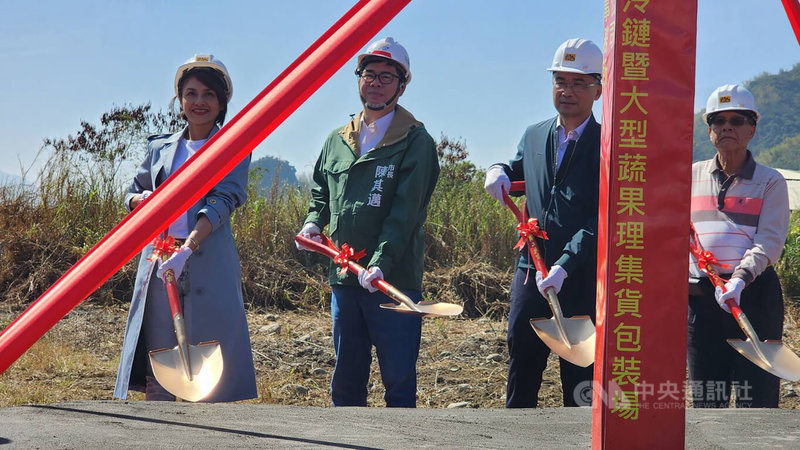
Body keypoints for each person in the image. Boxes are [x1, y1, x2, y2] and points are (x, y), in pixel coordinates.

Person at [296, 37, 439, 407]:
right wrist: (314, 223)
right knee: (346, 379)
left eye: (387, 77)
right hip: (345, 278)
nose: (376, 82)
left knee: (398, 381)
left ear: (402, 85)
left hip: (393, 282)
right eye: (369, 74)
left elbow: (405, 214)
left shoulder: (414, 141)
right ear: (358, 79)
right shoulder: (337, 139)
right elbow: (321, 194)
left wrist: (380, 264)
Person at [114, 54, 257, 402]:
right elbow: (131, 192)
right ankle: (159, 430)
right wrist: (140, 201)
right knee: (160, 355)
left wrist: (188, 248)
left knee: (212, 358)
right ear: (180, 100)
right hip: (160, 262)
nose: (199, 102)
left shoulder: (233, 147)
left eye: (209, 94)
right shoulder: (160, 148)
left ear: (222, 102)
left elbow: (225, 200)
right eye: (190, 93)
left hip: (206, 258)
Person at [484, 38, 602, 408]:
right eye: (560, 82)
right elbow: (518, 168)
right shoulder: (535, 134)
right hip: (530, 270)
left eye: (579, 83)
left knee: (580, 379)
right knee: (522, 363)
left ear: (599, 89)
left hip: (579, 277)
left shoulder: (608, 144)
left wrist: (565, 265)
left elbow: (600, 217)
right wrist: (499, 169)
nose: (567, 91)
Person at [688, 84, 790, 408]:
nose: (727, 126)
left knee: (756, 402)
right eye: (718, 120)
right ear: (709, 130)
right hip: (702, 300)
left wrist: (740, 279)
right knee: (708, 400)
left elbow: (770, 241)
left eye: (736, 119)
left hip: (754, 297)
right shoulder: (688, 178)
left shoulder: (770, 181)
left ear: (752, 128)